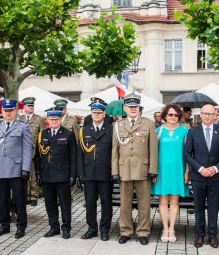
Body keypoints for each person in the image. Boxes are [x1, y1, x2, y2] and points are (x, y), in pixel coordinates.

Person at [112, 93, 158, 245]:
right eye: (130, 106)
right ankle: (125, 231)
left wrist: (153, 169)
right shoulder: (118, 126)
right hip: (124, 169)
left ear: (139, 108)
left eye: (135, 106)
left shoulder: (148, 124)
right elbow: (115, 151)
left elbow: (153, 149)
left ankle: (143, 232)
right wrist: (114, 171)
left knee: (144, 203)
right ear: (124, 108)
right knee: (125, 203)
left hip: (143, 170)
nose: (133, 109)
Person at [185, 104, 219, 249]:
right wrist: (200, 168)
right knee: (198, 207)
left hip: (215, 177)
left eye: (210, 114)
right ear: (200, 114)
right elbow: (187, 154)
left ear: (215, 115)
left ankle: (212, 235)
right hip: (198, 176)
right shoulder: (192, 132)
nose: (207, 116)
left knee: (213, 207)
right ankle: (199, 235)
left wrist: (216, 168)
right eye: (204, 113)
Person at [0, 99, 33, 239]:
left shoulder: (23, 127)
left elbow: (27, 149)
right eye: (6, 111)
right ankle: (4, 225)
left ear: (16, 111)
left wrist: (26, 168)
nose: (8, 113)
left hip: (17, 169)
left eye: (11, 110)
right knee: (2, 199)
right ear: (2, 111)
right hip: (0, 168)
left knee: (19, 200)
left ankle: (21, 226)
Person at [35, 108, 77, 239]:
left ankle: (66, 228)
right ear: (47, 120)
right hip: (46, 174)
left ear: (60, 120)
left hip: (62, 175)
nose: (54, 121)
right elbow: (38, 156)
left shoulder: (68, 134)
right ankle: (54, 227)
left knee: (65, 203)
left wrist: (72, 175)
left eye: (56, 119)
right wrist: (38, 173)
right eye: (51, 119)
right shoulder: (43, 134)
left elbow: (73, 156)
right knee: (50, 203)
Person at [151, 104, 189, 243]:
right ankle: (164, 228)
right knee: (162, 200)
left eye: (176, 115)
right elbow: (153, 153)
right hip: (162, 170)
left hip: (178, 169)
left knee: (174, 200)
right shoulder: (158, 131)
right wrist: (153, 171)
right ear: (165, 116)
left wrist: (187, 171)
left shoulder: (184, 131)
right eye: (170, 114)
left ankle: (172, 228)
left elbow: (188, 154)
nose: (173, 117)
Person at [78, 101, 113, 241]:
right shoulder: (84, 131)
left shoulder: (111, 129)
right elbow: (79, 154)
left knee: (106, 203)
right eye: (94, 112)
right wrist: (80, 173)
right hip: (89, 173)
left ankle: (104, 230)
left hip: (106, 172)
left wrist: (114, 172)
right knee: (90, 202)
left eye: (99, 112)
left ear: (104, 114)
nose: (96, 115)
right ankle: (92, 229)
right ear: (91, 114)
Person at [18, 97, 45, 207]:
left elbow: (43, 136)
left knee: (33, 174)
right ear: (24, 107)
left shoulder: (39, 119)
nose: (31, 107)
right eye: (29, 106)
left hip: (34, 151)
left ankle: (34, 196)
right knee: (24, 174)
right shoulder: (19, 119)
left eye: (32, 105)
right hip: (21, 151)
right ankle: (25, 195)